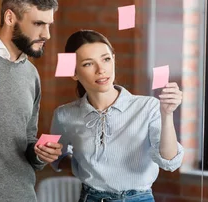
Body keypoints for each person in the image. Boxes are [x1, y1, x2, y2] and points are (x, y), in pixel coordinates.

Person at [49, 30, 184, 202]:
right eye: (88, 64)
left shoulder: (148, 106)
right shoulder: (63, 115)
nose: (101, 70)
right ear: (74, 73)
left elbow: (169, 160)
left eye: (106, 59)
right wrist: (80, 165)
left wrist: (167, 114)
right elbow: (56, 158)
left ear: (114, 59)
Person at [0, 1, 63, 201]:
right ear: (10, 18)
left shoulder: (31, 73)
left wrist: (40, 154)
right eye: (38, 24)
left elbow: (27, 139)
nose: (47, 34)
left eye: (49, 25)